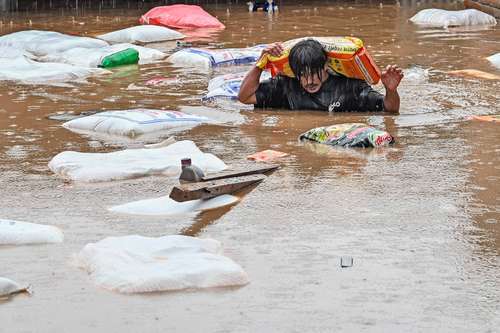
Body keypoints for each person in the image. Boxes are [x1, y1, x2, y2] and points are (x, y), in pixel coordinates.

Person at [238, 39, 404, 113]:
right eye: (302, 75)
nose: (309, 81)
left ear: (326, 66)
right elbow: (245, 97)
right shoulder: (285, 86)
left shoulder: (350, 87)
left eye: (314, 73)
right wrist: (261, 63)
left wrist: (391, 90)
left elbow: (389, 110)